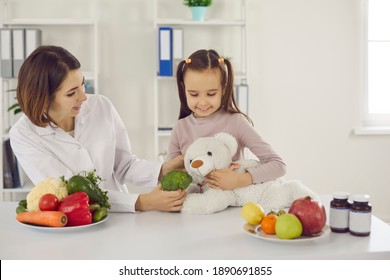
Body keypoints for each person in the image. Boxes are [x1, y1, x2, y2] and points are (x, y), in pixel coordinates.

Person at [9, 45, 186, 212]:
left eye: (82, 84)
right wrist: (141, 202)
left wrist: (163, 170)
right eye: (72, 93)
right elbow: (69, 192)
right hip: (76, 221)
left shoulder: (101, 106)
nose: (84, 97)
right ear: (44, 98)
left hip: (122, 219)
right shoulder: (24, 135)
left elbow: (124, 165)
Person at [167, 49, 286, 190]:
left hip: (234, 207)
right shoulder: (180, 128)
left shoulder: (236, 122)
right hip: (196, 208)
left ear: (223, 89)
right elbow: (169, 176)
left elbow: (278, 165)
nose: (203, 102)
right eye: (194, 94)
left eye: (211, 94)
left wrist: (240, 180)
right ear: (184, 88)